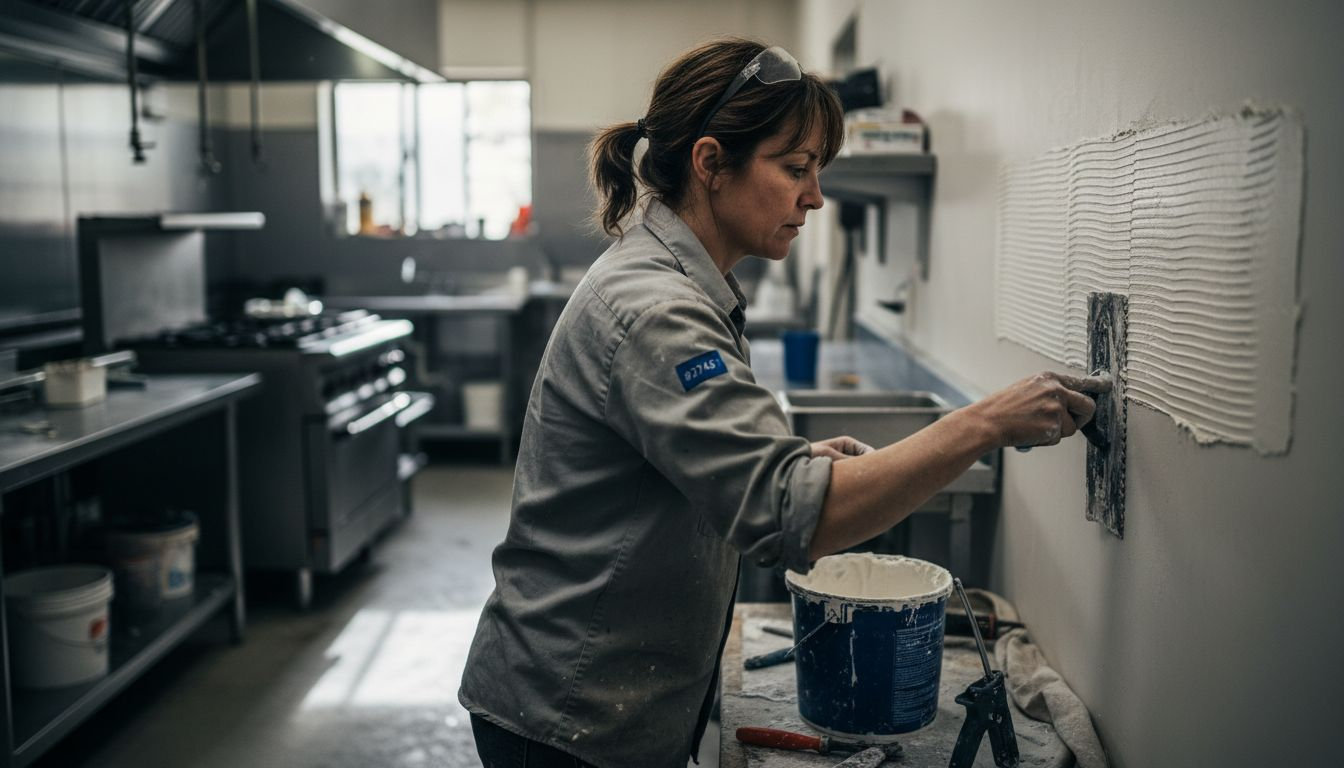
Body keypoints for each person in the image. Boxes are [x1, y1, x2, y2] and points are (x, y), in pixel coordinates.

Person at [458, 37, 1108, 768]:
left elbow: (711, 468)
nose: (815, 196)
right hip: (569, 716)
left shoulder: (682, 284)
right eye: (795, 169)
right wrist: (986, 422)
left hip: (604, 697)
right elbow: (793, 515)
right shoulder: (658, 310)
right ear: (710, 163)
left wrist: (793, 460)